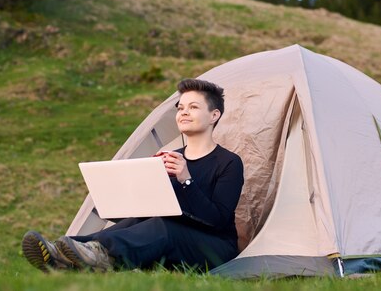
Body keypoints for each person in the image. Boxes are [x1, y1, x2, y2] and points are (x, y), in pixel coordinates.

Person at [21, 78, 244, 272]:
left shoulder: (229, 163)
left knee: (164, 226)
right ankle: (68, 251)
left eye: (193, 107)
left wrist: (186, 179)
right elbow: (146, 214)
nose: (184, 112)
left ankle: (91, 253)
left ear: (214, 115)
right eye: (180, 107)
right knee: (141, 219)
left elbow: (217, 220)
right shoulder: (168, 158)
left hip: (214, 247)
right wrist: (138, 186)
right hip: (170, 240)